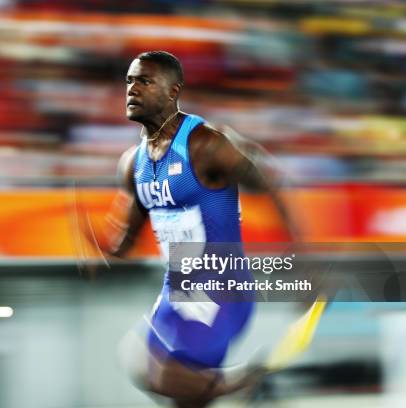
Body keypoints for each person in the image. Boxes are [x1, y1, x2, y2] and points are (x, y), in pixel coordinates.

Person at [88, 51, 299, 408]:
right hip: (180, 286)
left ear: (173, 92)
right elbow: (125, 241)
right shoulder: (133, 164)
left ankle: (245, 380)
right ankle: (239, 385)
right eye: (129, 81)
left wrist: (301, 252)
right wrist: (103, 254)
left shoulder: (206, 144)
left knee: (149, 367)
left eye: (144, 81)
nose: (132, 89)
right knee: (183, 397)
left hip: (220, 284)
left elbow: (270, 184)